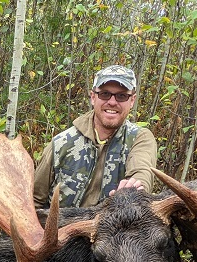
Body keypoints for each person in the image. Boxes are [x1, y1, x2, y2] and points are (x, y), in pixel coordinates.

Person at [33, 64, 158, 209]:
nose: (112, 102)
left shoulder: (139, 139)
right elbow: (34, 200)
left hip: (114, 231)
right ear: (93, 97)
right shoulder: (62, 143)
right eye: (104, 94)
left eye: (121, 96)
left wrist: (134, 190)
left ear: (132, 101)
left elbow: (141, 173)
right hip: (62, 230)